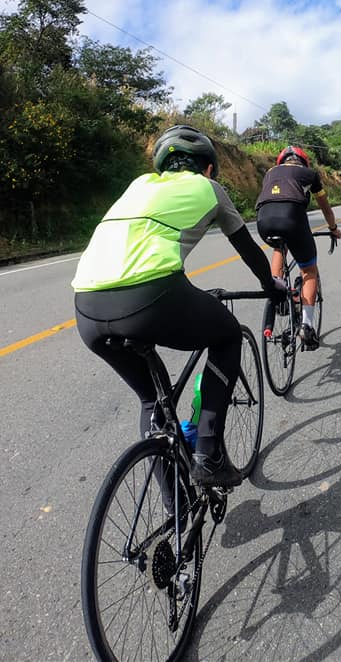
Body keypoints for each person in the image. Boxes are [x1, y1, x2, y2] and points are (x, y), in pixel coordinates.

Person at [73, 125, 286, 487]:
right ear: (208, 168)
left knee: (152, 402)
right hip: (151, 296)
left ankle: (176, 507)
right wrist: (272, 287)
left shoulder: (139, 185)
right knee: (227, 336)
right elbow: (249, 250)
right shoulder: (210, 188)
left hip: (87, 307)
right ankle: (209, 454)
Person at [255, 145, 341, 350]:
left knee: (279, 247)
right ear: (303, 162)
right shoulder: (309, 174)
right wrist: (333, 228)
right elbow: (326, 208)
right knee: (308, 269)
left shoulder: (269, 173)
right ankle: (307, 325)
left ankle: (278, 290)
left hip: (263, 220)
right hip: (293, 220)